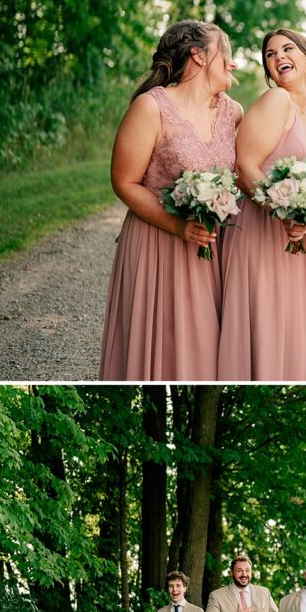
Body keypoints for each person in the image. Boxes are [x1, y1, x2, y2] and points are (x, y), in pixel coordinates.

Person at [100, 19, 241, 380]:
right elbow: (124, 182)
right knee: (160, 346)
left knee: (207, 350)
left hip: (211, 250)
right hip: (157, 245)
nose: (234, 63)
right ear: (198, 56)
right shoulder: (151, 107)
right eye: (226, 53)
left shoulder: (233, 113)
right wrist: (179, 226)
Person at [219, 29, 306, 380]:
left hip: (304, 237)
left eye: (287, 49)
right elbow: (245, 166)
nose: (278, 56)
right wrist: (282, 212)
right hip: (264, 230)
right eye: (270, 54)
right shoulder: (274, 101)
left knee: (296, 330)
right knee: (266, 323)